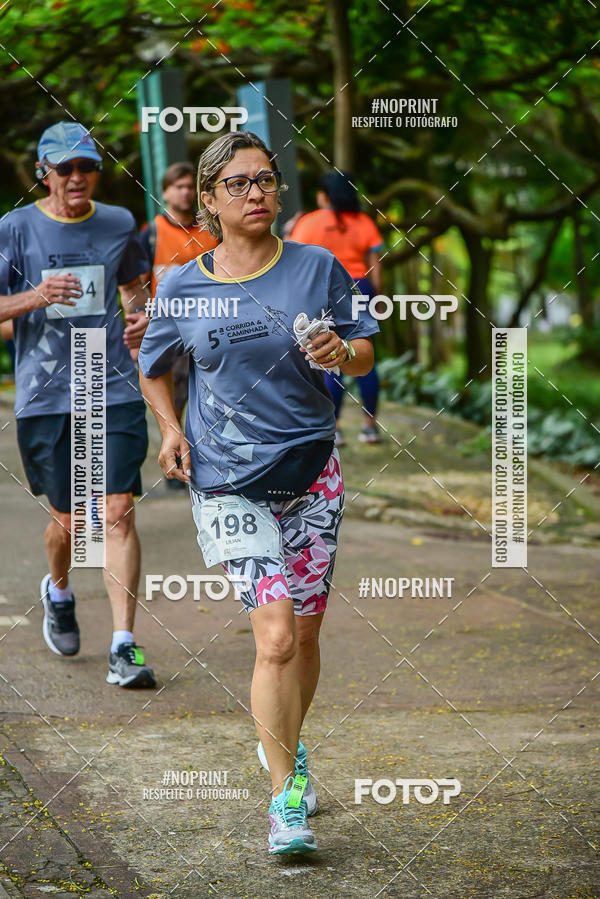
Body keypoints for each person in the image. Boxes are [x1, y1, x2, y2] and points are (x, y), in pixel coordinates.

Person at [138, 131, 378, 854]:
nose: (256, 193)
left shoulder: (315, 266)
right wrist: (170, 429)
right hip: (226, 480)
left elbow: (365, 347)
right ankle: (284, 800)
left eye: (266, 179)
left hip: (311, 472)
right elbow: (153, 363)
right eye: (238, 183)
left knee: (304, 634)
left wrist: (343, 351)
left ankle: (288, 743)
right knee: (273, 635)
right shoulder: (183, 284)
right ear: (208, 200)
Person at [0, 121, 156, 688]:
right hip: (46, 395)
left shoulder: (118, 222)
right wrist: (35, 296)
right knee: (70, 523)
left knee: (116, 510)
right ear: (43, 173)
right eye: (64, 168)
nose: (76, 177)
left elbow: (136, 284)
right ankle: (60, 591)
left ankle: (124, 646)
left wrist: (142, 316)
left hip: (110, 385)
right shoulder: (14, 228)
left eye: (86, 167)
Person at [290, 171, 385, 445]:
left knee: (330, 355)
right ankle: (370, 427)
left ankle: (336, 427)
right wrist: (375, 297)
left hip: (322, 289)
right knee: (363, 352)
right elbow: (375, 269)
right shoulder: (364, 222)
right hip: (359, 288)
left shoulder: (308, 222)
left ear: (323, 196)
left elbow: (295, 260)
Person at [140, 164, 218, 492]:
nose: (185, 192)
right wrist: (142, 320)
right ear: (165, 192)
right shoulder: (151, 234)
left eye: (189, 186)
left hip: (212, 325)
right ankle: (175, 458)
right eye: (178, 186)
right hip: (169, 329)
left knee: (210, 395)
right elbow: (137, 284)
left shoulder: (213, 231)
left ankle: (209, 459)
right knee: (174, 397)